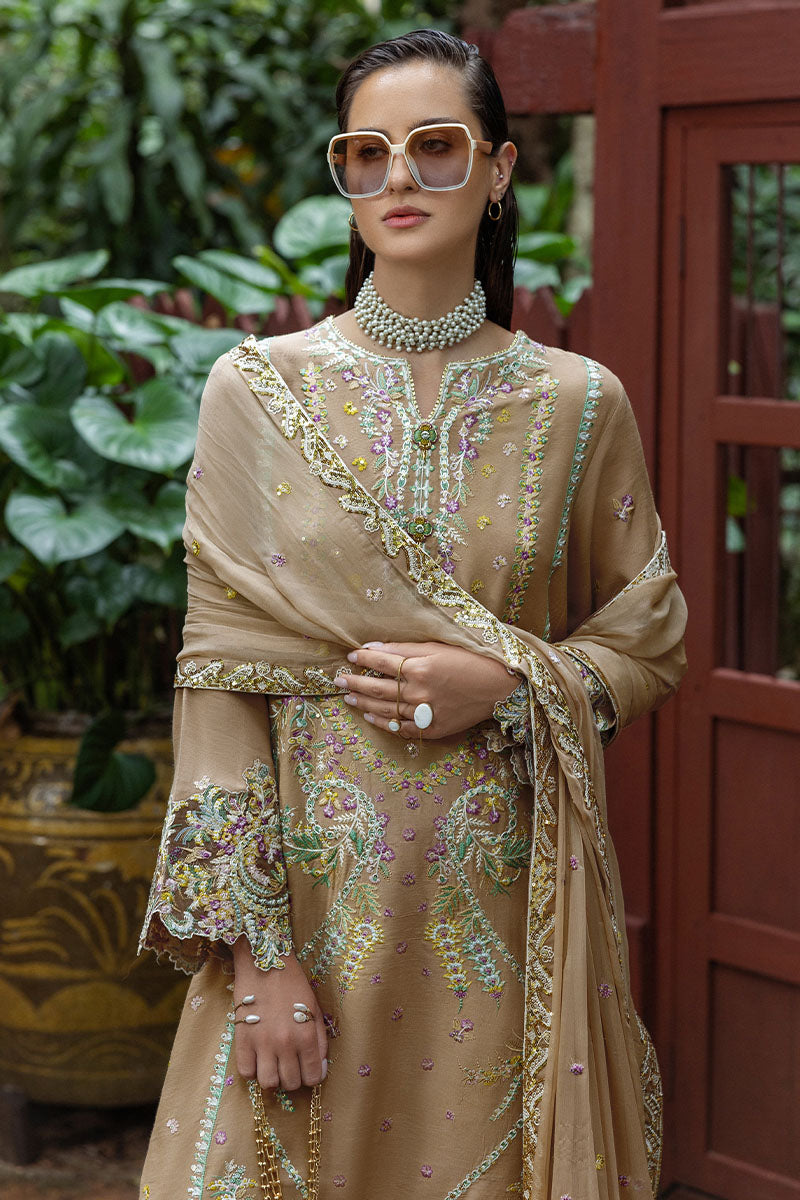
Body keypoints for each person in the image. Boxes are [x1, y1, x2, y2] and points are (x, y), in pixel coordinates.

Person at [138, 28, 687, 1200]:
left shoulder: (577, 404)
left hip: (506, 924)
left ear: (496, 171)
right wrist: (259, 962)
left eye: (435, 147)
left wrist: (509, 683)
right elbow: (220, 679)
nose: (398, 177)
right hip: (309, 917)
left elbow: (645, 637)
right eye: (365, 152)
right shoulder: (257, 391)